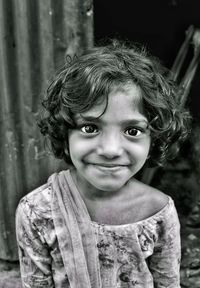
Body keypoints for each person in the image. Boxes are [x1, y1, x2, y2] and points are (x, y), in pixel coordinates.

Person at [16, 40, 190, 288]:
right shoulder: (37, 211)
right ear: (64, 133)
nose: (110, 150)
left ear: (155, 138)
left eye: (132, 130)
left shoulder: (159, 213)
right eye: (89, 128)